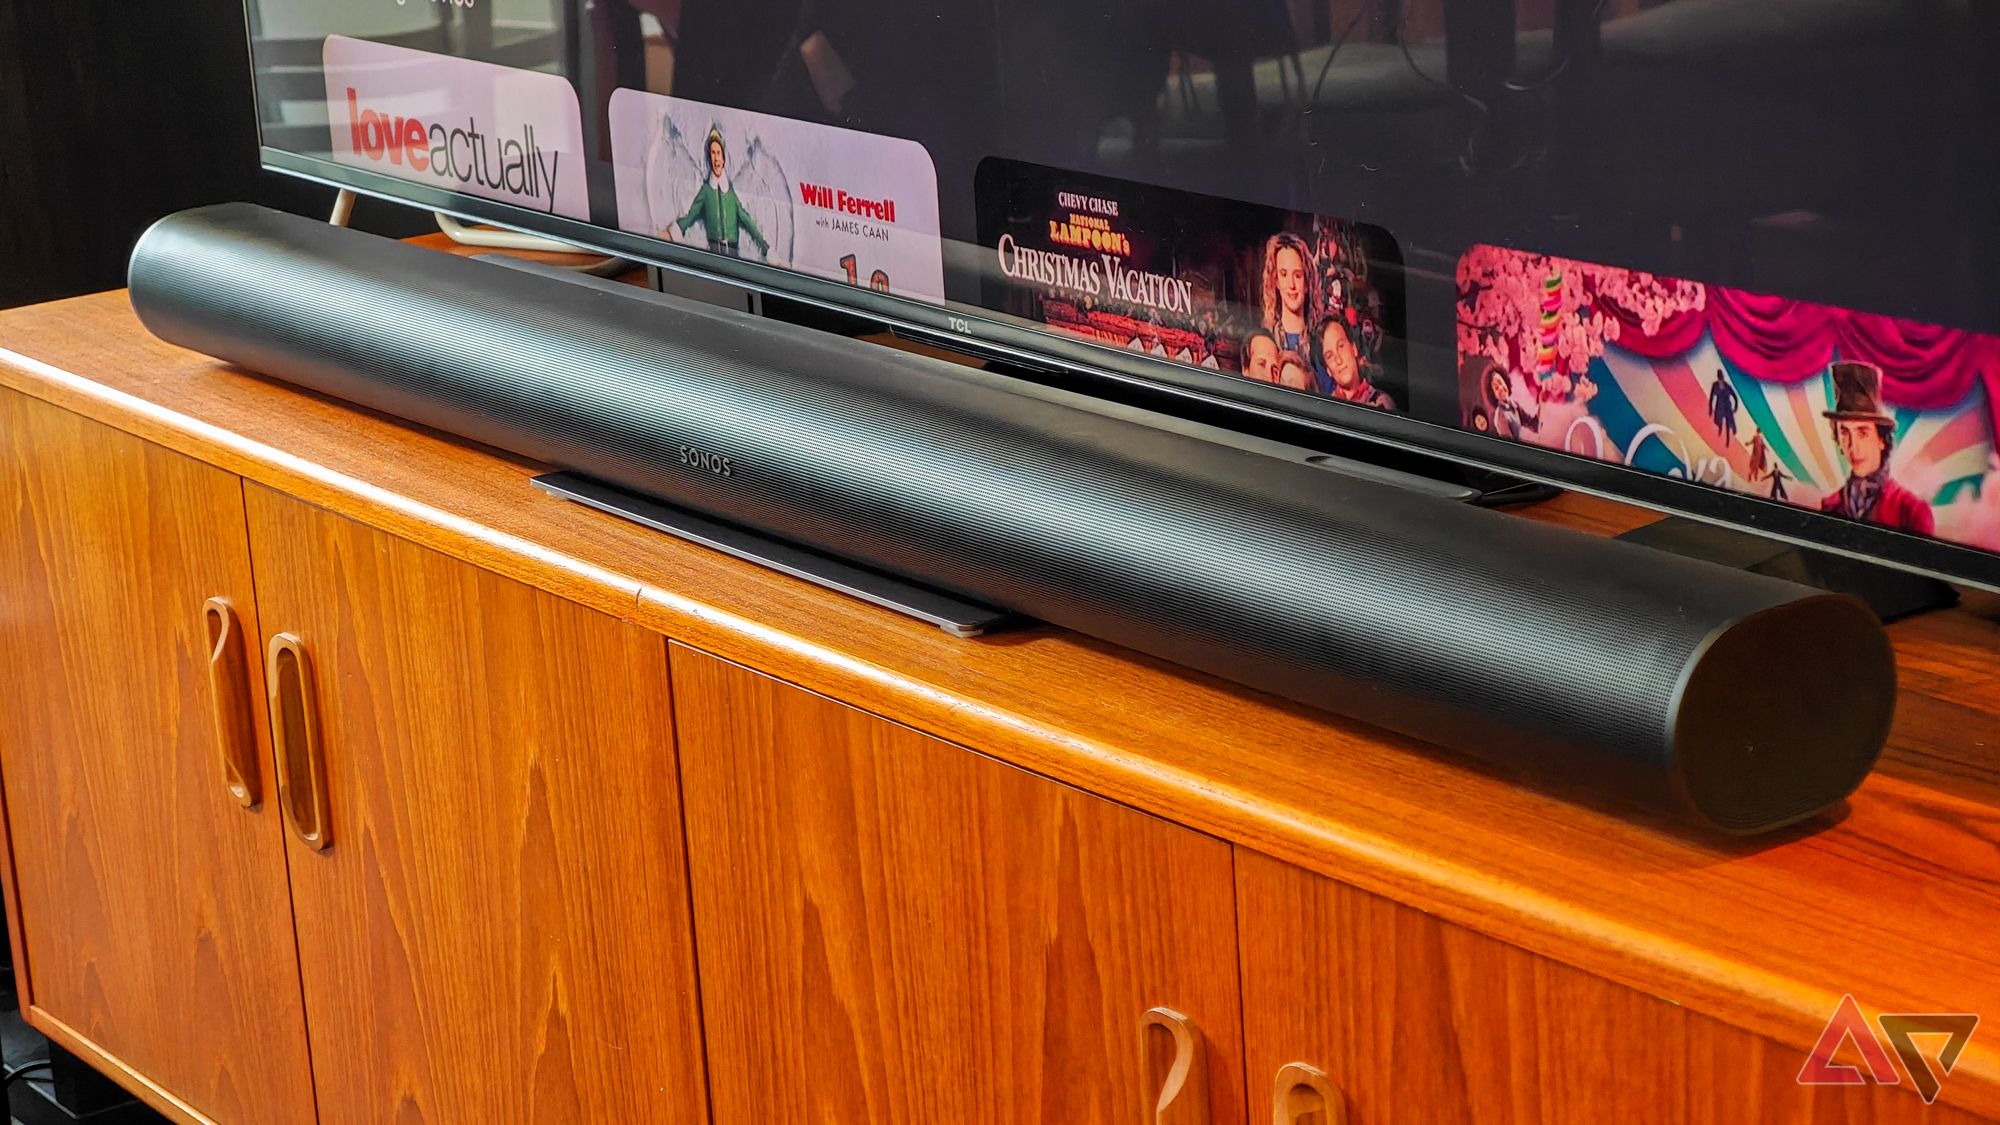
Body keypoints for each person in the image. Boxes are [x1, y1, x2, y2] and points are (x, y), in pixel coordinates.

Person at [1820, 361, 1932, 534]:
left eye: (1862, 433)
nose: (1852, 447)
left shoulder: (1911, 511)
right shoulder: (1830, 505)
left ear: (1881, 439)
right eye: (1844, 432)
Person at [670, 127, 770, 258]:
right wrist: (673, 230)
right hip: (714, 253)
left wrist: (767, 249)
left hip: (733, 251)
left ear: (723, 157)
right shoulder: (706, 191)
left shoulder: (730, 194)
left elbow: (747, 221)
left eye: (718, 153)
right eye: (712, 153)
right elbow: (691, 215)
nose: (716, 158)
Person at [1313, 315, 1395, 409]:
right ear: (1328, 369)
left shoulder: (1382, 403)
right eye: (1330, 356)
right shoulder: (1326, 409)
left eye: (1341, 346)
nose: (1339, 360)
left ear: (1354, 349)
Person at [1259, 233, 1320, 358]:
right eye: (1284, 274)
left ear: (1307, 282)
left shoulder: (1320, 342)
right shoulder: (1266, 342)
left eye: (1297, 275)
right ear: (1276, 281)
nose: (1291, 284)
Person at [1477, 361, 1539, 440]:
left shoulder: (1514, 404)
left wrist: (1543, 406)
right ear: (1493, 395)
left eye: (1500, 382)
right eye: (1496, 388)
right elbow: (1511, 445)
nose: (1501, 388)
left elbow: (1531, 423)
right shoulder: (1500, 418)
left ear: (1505, 382)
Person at [1709, 369, 1741, 443]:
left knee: (1730, 421)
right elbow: (1711, 397)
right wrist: (1710, 409)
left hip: (1727, 406)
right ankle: (1720, 427)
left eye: (1721, 376)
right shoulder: (1715, 385)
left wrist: (1735, 407)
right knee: (1718, 420)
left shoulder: (1727, 386)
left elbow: (1735, 396)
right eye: (1720, 376)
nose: (1721, 378)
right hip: (1720, 406)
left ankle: (1732, 431)